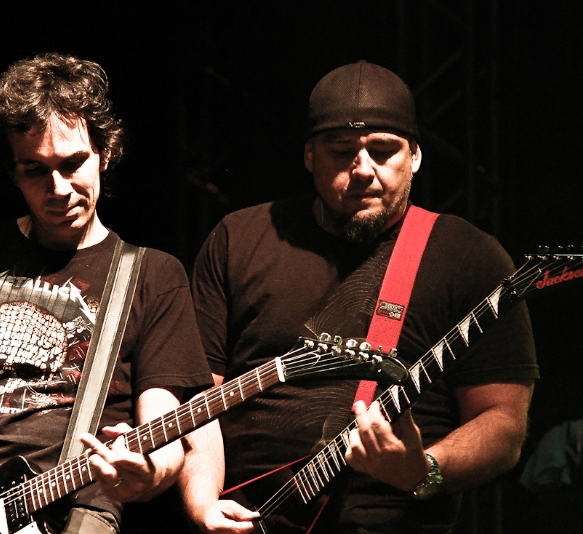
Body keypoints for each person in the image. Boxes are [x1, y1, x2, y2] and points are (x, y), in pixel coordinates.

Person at [179, 61, 538, 534]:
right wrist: (202, 499)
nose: (364, 170)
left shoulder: (469, 256)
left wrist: (424, 469)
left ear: (415, 156)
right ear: (309, 156)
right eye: (341, 151)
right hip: (242, 520)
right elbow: (200, 396)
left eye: (383, 151)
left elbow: (503, 421)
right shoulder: (239, 238)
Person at [0, 52, 213, 534]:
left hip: (69, 513)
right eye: (34, 170)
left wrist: (149, 474)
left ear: (105, 152)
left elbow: (165, 429)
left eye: (73, 164)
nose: (59, 189)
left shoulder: (153, 275)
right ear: (11, 171)